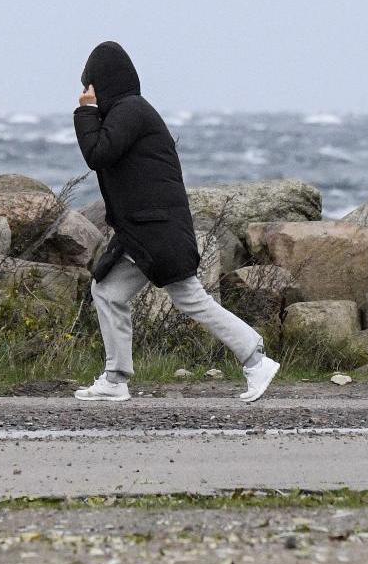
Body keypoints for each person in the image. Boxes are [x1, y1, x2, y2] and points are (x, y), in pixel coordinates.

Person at [71, 41, 280, 403]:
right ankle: (115, 378)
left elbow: (98, 153)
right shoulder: (127, 112)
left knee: (189, 298)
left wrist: (87, 112)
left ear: (101, 82)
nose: (86, 92)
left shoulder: (131, 110)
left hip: (156, 230)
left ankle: (255, 359)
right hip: (142, 230)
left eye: (89, 85)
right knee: (107, 291)